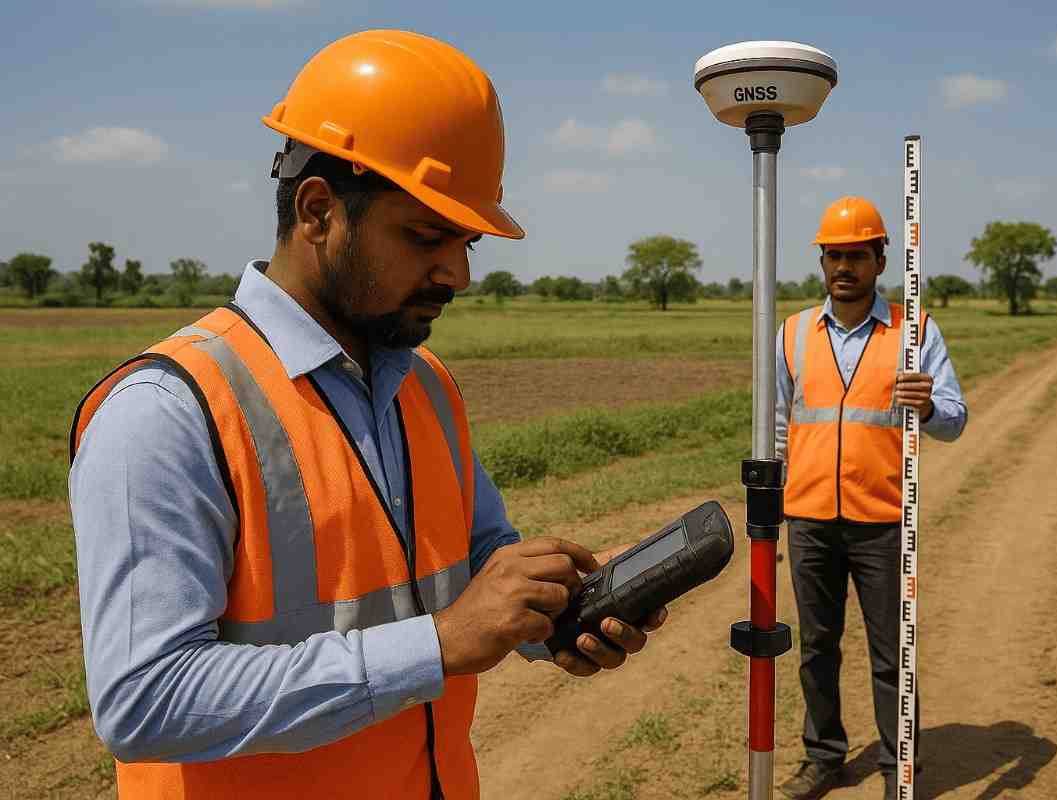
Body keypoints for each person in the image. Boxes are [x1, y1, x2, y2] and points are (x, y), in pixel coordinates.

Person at [68, 31, 665, 800]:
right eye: (426, 236)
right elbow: (143, 699)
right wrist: (439, 644)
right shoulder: (166, 413)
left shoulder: (429, 387)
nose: (457, 272)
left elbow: (478, 568)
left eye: (466, 242)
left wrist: (552, 618)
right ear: (318, 211)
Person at [776, 197, 967, 800]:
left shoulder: (915, 332)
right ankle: (824, 756)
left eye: (857, 254)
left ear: (882, 258)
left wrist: (928, 405)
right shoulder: (794, 333)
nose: (844, 266)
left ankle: (896, 769)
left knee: (892, 654)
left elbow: (955, 420)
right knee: (816, 649)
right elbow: (781, 426)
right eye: (834, 254)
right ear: (822, 261)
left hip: (883, 519)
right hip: (808, 519)